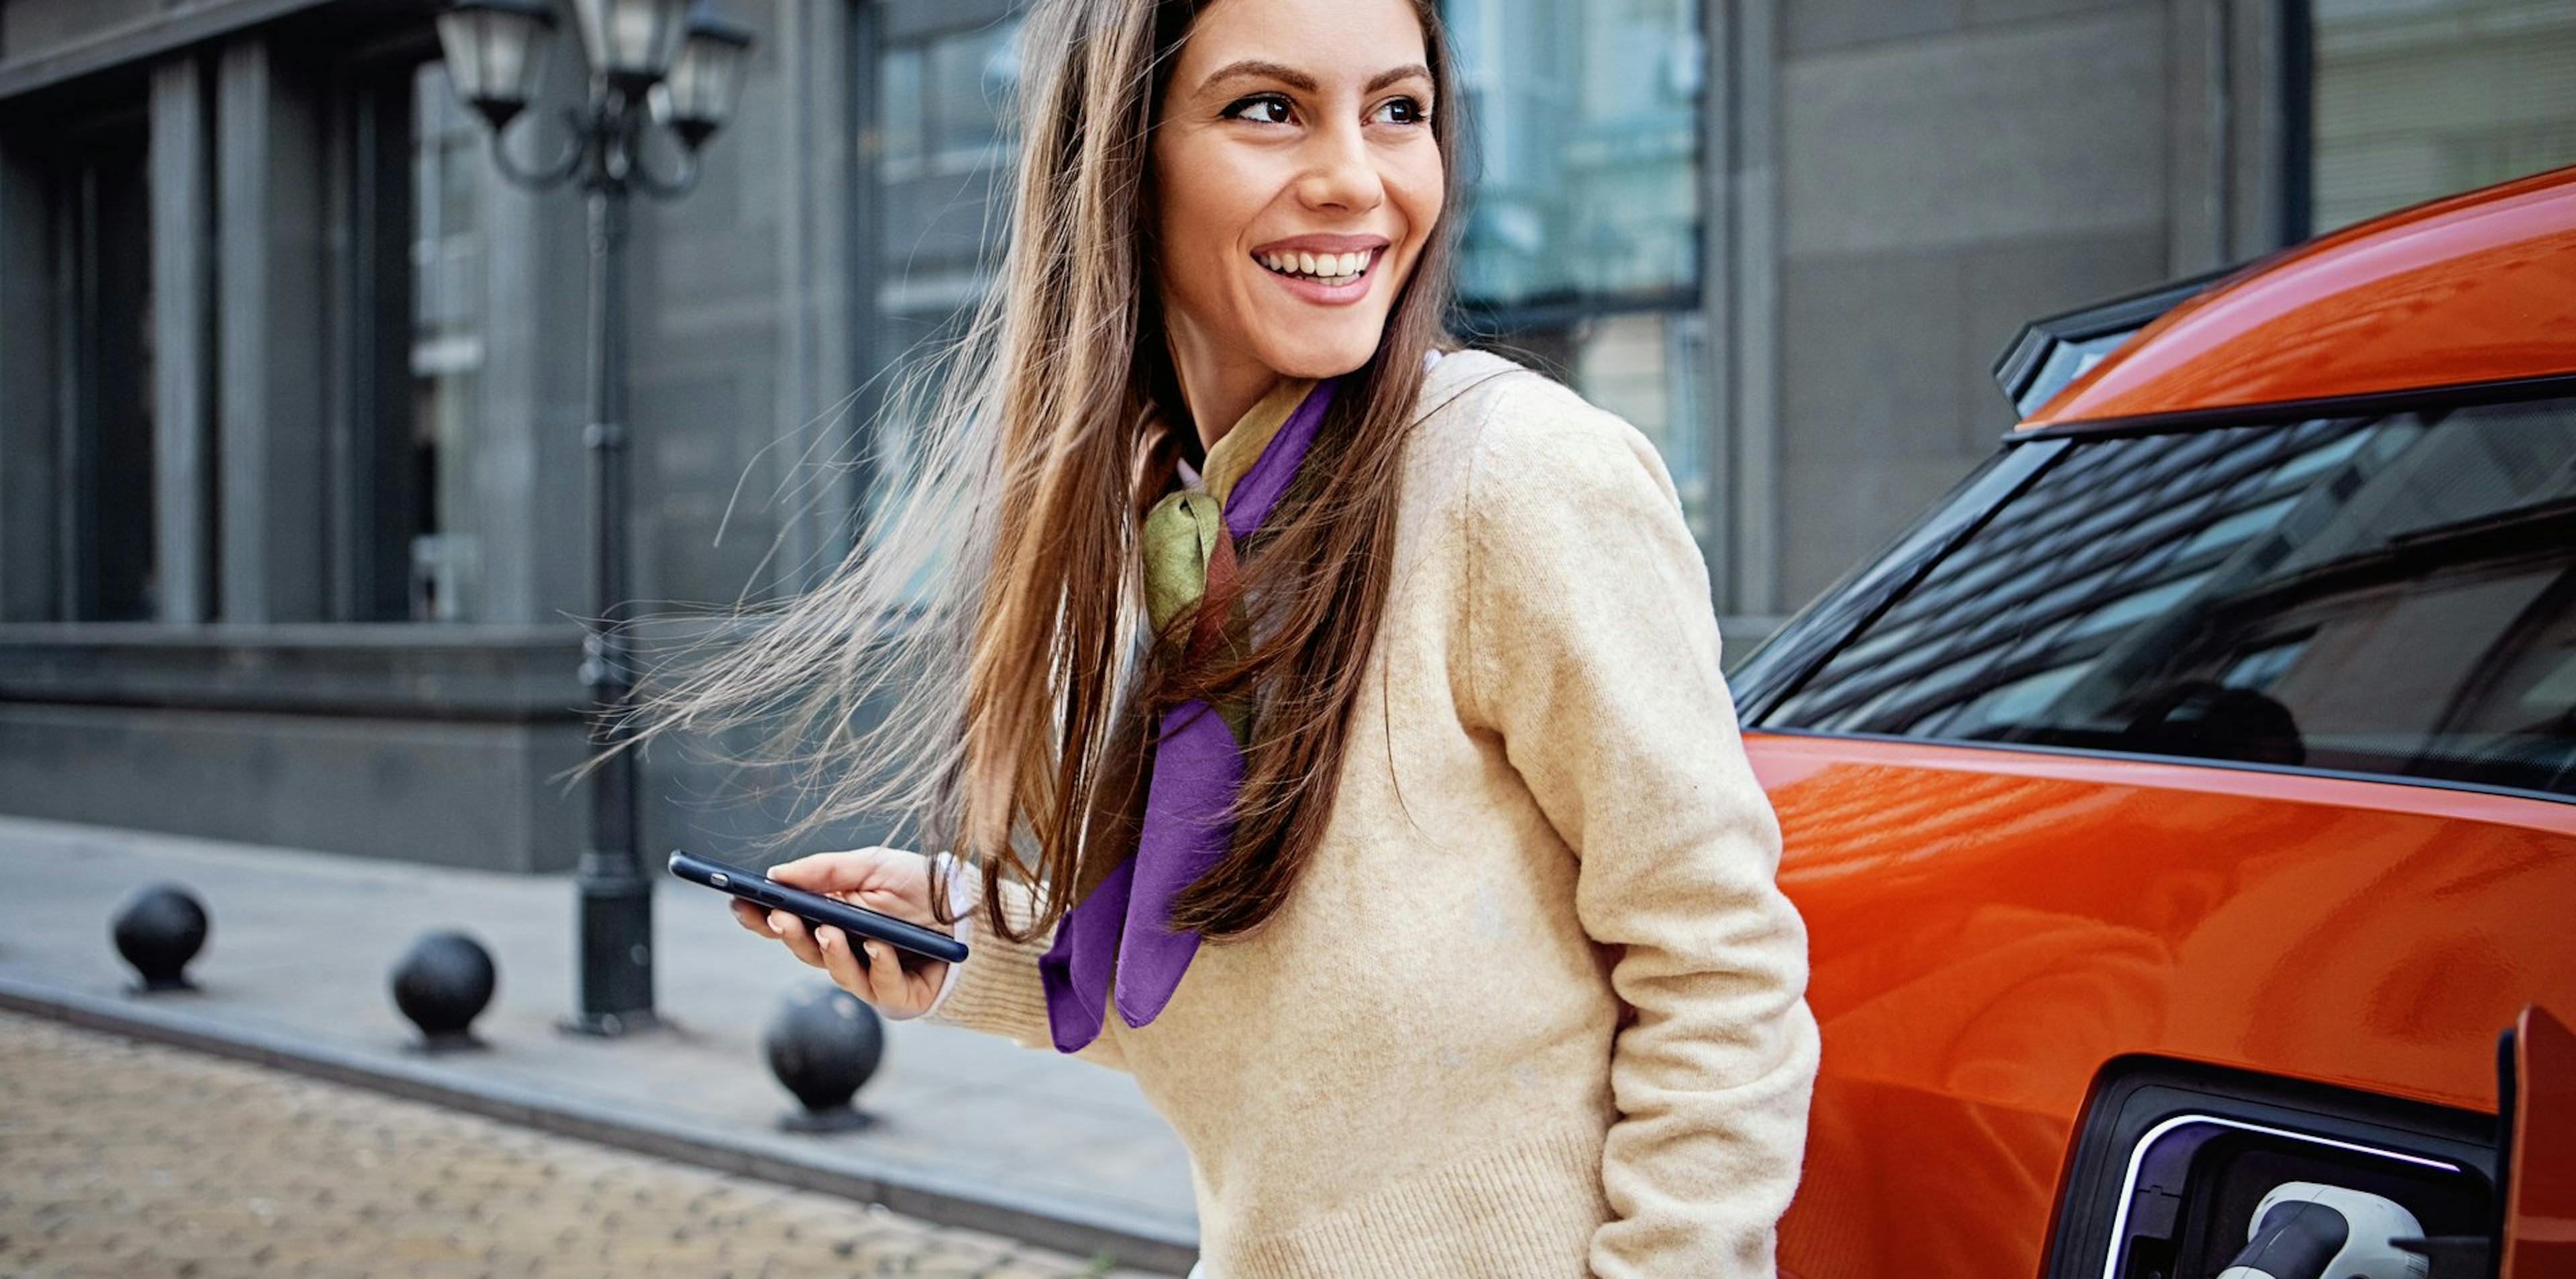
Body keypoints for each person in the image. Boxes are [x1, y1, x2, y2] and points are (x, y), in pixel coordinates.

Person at [644, 0, 1821, 1272]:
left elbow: (1724, 971)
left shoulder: (1518, 477)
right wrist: (976, 940)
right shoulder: (1172, 519)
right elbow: (1290, 1007)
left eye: (1399, 110)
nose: (1355, 179)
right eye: (1269, 107)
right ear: (1124, 154)